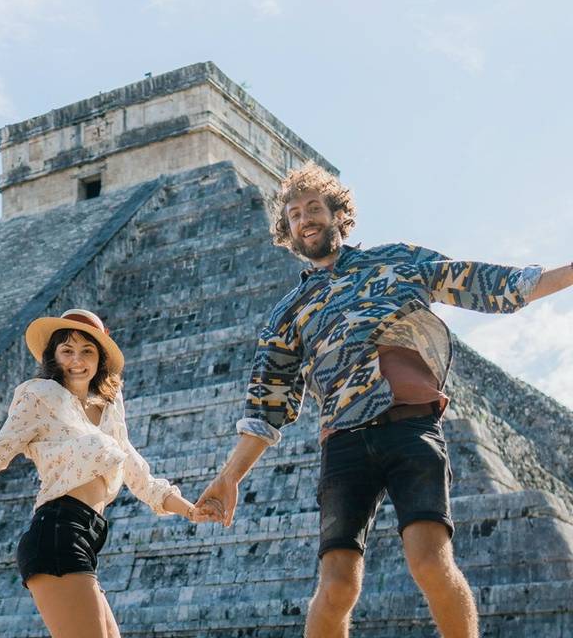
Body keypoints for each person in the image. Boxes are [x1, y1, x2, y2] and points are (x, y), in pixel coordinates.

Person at [195, 162, 573, 638]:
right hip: (344, 444)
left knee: (430, 562)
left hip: (410, 426)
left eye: (315, 207)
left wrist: (568, 274)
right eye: (294, 214)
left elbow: (485, 282)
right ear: (287, 231)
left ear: (336, 215)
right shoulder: (286, 314)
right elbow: (267, 404)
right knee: (335, 588)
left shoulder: (396, 261)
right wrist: (230, 478)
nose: (306, 218)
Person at [0, 309, 208, 638]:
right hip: (57, 531)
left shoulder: (109, 407)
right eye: (67, 350)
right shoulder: (39, 396)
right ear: (53, 356)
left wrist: (189, 509)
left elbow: (137, 473)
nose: (77, 360)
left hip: (87, 537)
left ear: (100, 358)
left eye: (87, 351)